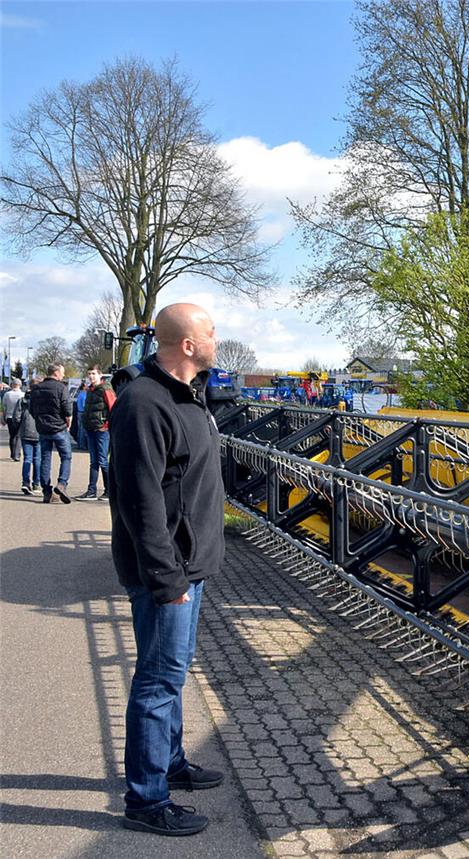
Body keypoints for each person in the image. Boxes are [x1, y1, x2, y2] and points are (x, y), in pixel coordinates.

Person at [109, 303, 224, 837]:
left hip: (188, 566)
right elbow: (139, 501)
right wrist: (168, 579)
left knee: (171, 675)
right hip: (168, 573)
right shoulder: (144, 402)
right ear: (186, 344)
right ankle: (146, 798)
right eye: (210, 332)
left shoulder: (189, 395)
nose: (216, 339)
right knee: (158, 681)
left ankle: (171, 763)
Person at [28, 363, 73, 503]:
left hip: (43, 429)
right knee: (66, 456)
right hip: (59, 428)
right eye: (63, 372)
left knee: (45, 458)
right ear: (56, 373)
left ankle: (46, 491)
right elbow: (67, 409)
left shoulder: (36, 389)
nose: (64, 375)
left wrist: (40, 420)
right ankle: (62, 484)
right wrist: (68, 423)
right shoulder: (61, 388)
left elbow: (31, 409)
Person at [78, 365, 116, 500]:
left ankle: (109, 491)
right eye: (89, 374)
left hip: (102, 429)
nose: (91, 376)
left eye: (93, 374)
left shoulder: (105, 389)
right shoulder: (90, 390)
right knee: (94, 461)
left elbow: (113, 408)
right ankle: (91, 491)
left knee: (103, 461)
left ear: (100, 375)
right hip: (91, 428)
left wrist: (108, 425)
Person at [17, 376, 41, 494]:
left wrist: (19, 426)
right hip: (40, 431)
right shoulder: (43, 400)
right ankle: (36, 484)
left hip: (26, 431)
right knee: (37, 459)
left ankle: (25, 482)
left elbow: (16, 417)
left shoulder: (22, 400)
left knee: (27, 458)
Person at [2, 378, 25, 461]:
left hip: (9, 417)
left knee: (12, 436)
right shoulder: (23, 395)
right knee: (18, 436)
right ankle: (17, 455)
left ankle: (12, 453)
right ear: (20, 385)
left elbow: (4, 407)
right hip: (20, 417)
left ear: (12, 384)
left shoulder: (7, 394)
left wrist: (3, 418)